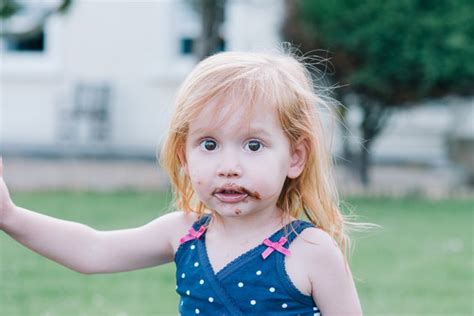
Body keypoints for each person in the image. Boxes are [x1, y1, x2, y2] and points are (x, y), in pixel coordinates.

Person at [0, 50, 362, 315]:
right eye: (209, 144)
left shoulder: (311, 250)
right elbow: (92, 251)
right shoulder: (186, 233)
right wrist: (10, 216)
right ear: (184, 156)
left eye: (254, 145)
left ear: (295, 157)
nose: (228, 166)